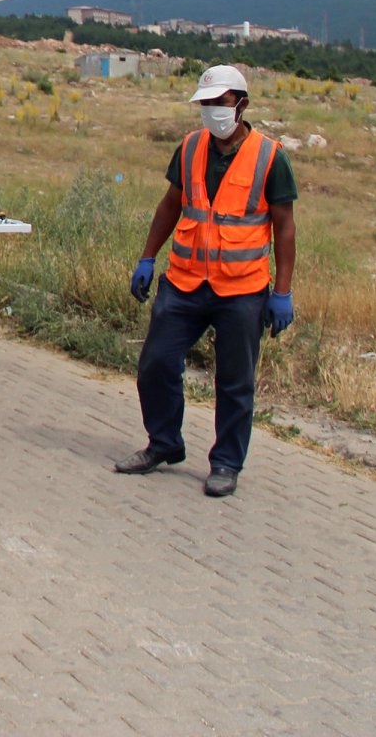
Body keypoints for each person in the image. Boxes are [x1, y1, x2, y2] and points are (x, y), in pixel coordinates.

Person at [115, 64, 297, 498]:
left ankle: (227, 463)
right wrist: (147, 257)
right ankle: (164, 443)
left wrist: (283, 292)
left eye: (220, 102)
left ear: (241, 104)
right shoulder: (190, 147)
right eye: (205, 103)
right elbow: (170, 204)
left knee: (235, 381)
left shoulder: (271, 157)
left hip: (242, 289)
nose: (212, 110)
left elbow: (285, 227)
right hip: (185, 282)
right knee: (156, 364)